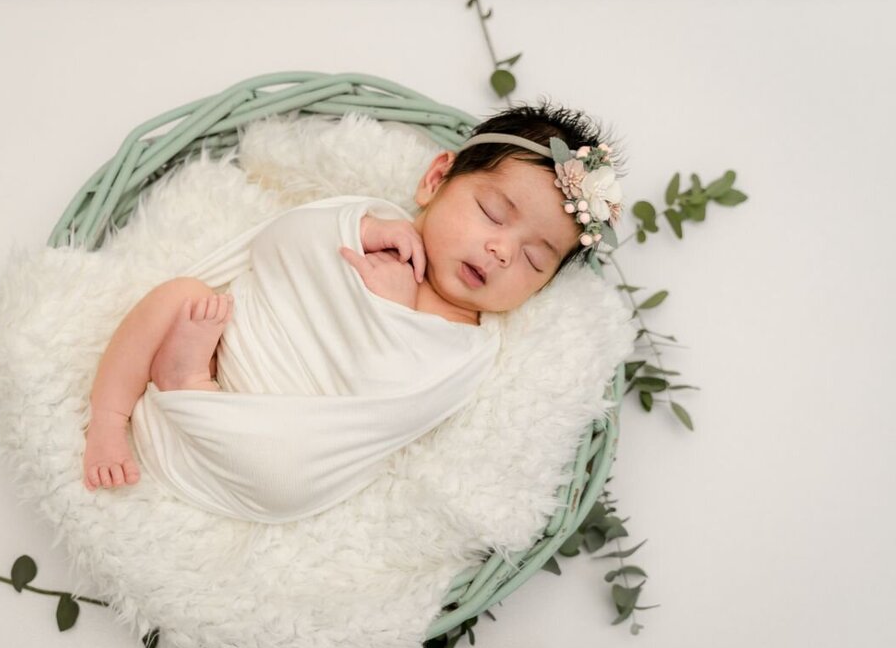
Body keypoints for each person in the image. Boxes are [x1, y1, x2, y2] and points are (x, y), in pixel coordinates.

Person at [81, 102, 624, 498]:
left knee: (285, 482)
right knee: (178, 297)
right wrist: (355, 229)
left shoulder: (467, 347)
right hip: (239, 340)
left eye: (535, 259)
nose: (501, 251)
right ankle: (108, 419)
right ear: (436, 180)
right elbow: (274, 247)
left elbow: (388, 411)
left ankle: (187, 383)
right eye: (494, 214)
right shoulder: (369, 221)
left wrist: (391, 311)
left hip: (280, 426)